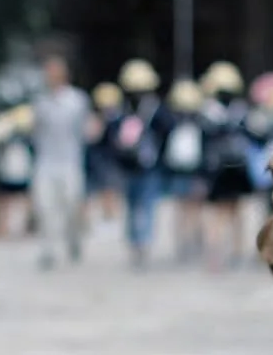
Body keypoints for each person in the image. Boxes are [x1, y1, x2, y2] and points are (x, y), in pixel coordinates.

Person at [30, 53, 94, 269]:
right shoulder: (40, 102)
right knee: (45, 207)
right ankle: (47, 250)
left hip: (70, 162)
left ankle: (73, 240)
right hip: (46, 162)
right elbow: (35, 133)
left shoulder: (77, 101)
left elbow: (86, 131)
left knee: (72, 206)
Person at [110, 58, 172, 268]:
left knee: (145, 206)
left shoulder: (157, 111)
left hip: (149, 167)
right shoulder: (122, 110)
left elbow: (166, 135)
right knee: (132, 206)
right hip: (129, 166)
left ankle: (142, 244)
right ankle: (135, 243)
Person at [198, 60, 258, 271]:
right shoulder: (241, 112)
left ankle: (219, 257)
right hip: (236, 170)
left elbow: (203, 146)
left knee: (220, 214)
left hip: (219, 171)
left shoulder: (207, 113)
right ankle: (233, 253)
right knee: (233, 213)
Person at [162, 79, 207, 263]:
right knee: (192, 210)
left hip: (180, 172)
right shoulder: (200, 123)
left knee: (182, 209)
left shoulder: (172, 122)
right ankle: (189, 242)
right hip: (193, 172)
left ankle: (184, 243)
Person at [0, 104, 35, 241]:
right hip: (6, 170)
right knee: (3, 199)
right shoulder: (3, 133)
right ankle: (2, 227)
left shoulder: (26, 136)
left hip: (22, 170)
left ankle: (26, 226)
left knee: (24, 199)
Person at [85, 82, 125, 226]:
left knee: (110, 188)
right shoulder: (95, 118)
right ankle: (90, 219)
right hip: (96, 160)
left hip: (109, 160)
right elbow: (91, 136)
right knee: (91, 191)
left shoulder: (119, 119)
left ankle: (110, 215)